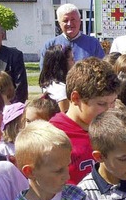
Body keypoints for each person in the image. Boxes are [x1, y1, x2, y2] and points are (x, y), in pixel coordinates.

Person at [50, 57, 119, 185]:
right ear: (76, 98)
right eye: (102, 103)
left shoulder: (113, 129)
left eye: (113, 102)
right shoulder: (53, 136)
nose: (110, 110)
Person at [40, 3, 105, 69]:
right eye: (65, 21)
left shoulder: (93, 44)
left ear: (80, 21)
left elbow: (102, 71)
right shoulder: (50, 46)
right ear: (59, 23)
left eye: (73, 19)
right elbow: (45, 74)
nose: (69, 24)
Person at [40, 44, 74, 112]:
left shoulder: (51, 85)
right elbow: (64, 119)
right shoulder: (61, 91)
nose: (74, 62)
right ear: (62, 63)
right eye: (72, 59)